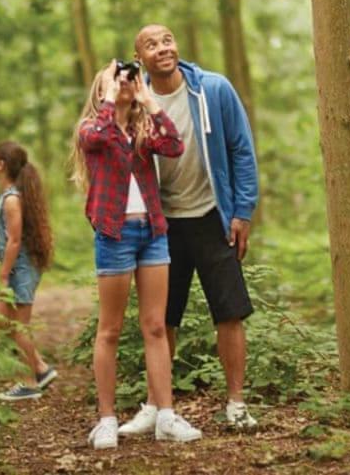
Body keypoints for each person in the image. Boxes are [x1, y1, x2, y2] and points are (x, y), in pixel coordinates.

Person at [120, 24, 260, 433]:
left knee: (230, 311)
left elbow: (241, 149)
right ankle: (156, 407)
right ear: (139, 57)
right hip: (160, 223)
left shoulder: (213, 90)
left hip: (213, 217)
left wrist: (243, 211)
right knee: (161, 319)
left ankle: (236, 403)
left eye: (167, 40)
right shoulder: (135, 101)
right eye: (151, 44)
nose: (163, 48)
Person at [72, 60, 203, 450]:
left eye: (128, 79)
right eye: (116, 80)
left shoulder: (146, 129)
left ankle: (165, 414)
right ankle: (107, 419)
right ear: (102, 92)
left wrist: (148, 100)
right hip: (114, 233)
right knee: (110, 329)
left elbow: (175, 145)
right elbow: (95, 137)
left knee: (157, 326)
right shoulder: (93, 128)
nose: (125, 83)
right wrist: (112, 98)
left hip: (153, 233)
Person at [0, 140, 58, 401]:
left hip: (19, 269)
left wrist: (4, 274)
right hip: (18, 267)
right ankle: (41, 369)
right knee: (4, 323)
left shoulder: (11, 200)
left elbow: (15, 240)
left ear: (1, 165)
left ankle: (29, 382)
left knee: (19, 327)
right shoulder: (9, 196)